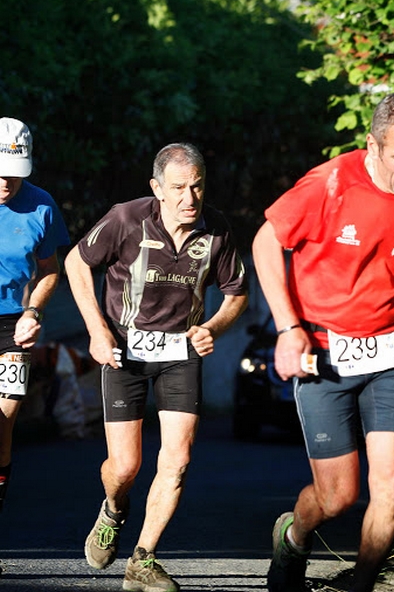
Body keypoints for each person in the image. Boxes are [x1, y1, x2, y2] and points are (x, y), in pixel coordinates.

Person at [64, 142, 248, 592]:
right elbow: (75, 261)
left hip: (179, 355)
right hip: (124, 352)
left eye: (198, 187)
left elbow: (237, 292)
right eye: (179, 188)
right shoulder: (126, 219)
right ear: (157, 189)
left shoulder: (217, 230)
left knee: (178, 461)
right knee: (125, 467)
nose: (190, 198)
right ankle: (113, 507)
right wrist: (97, 331)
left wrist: (215, 328)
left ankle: (142, 560)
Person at [252, 91, 394, 592]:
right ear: (373, 146)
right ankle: (294, 536)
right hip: (323, 353)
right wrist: (288, 327)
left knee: (391, 491)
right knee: (337, 496)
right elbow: (265, 241)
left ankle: (360, 585)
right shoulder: (331, 183)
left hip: (390, 355)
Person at [0, 117, 70, 513]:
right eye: (0, 173)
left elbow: (49, 271)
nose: (7, 183)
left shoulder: (41, 205)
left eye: (16, 174)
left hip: (13, 326)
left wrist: (33, 312)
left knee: (2, 425)